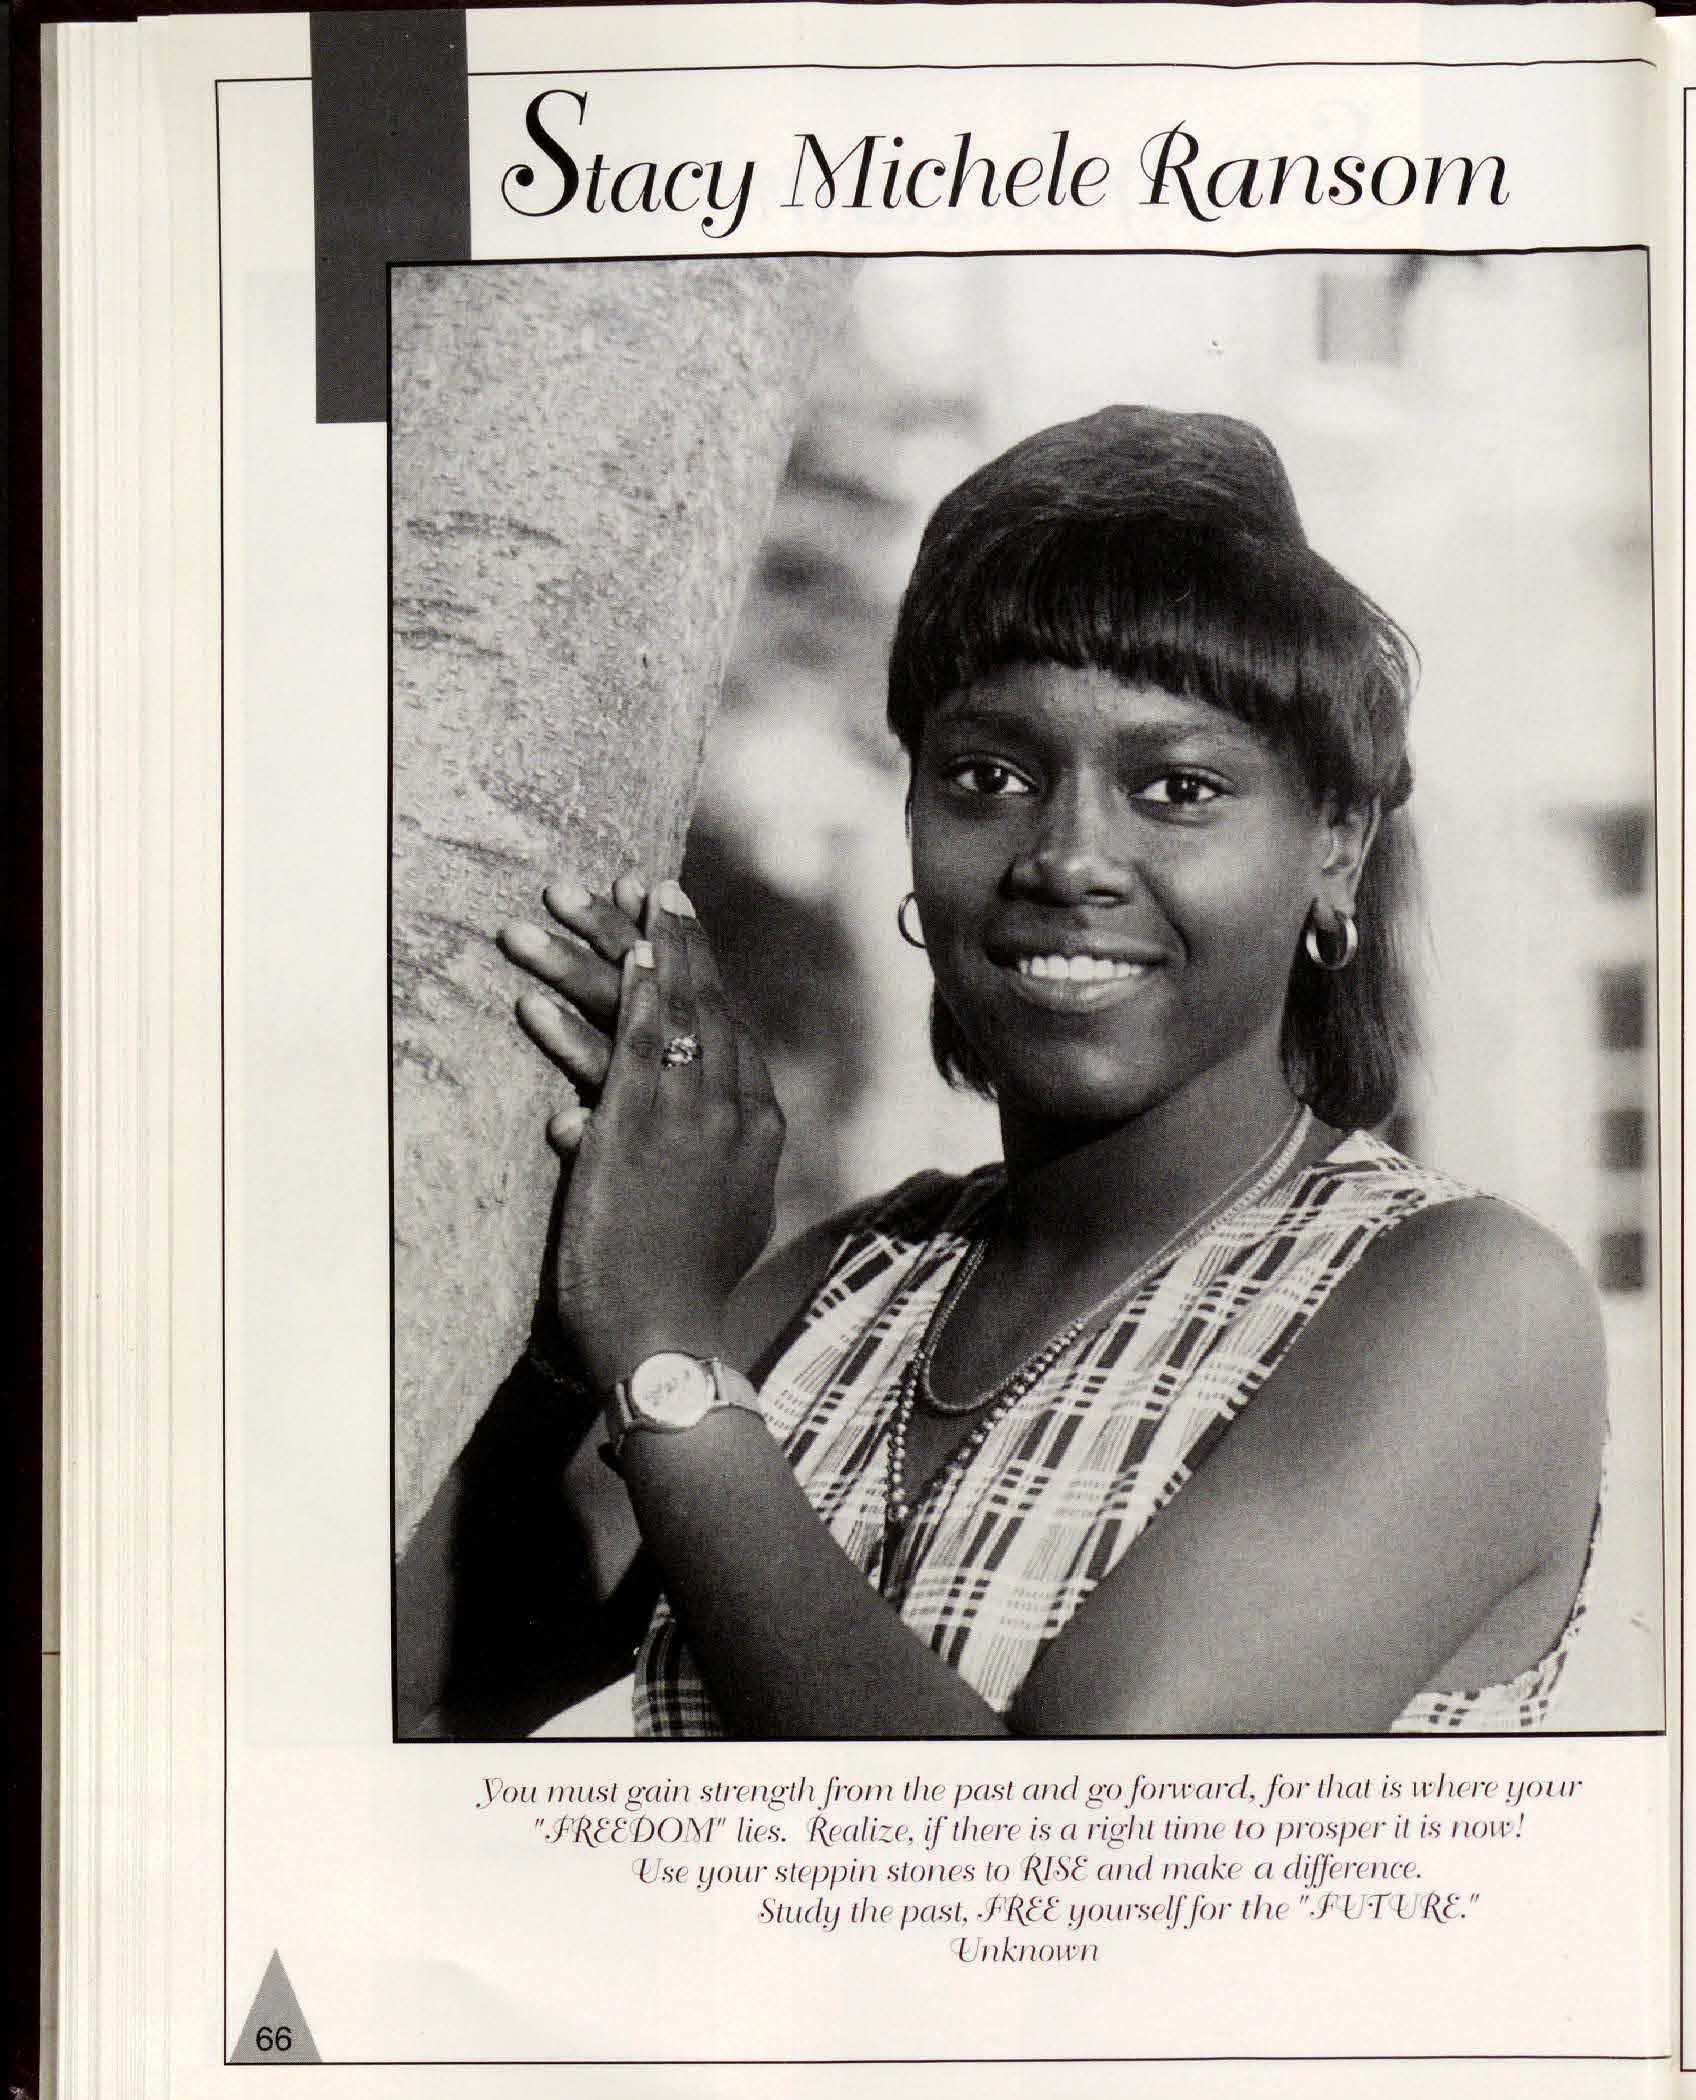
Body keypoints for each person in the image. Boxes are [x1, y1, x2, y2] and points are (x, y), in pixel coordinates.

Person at [405, 404, 1605, 1740]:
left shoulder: (1463, 1299)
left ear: (1337, 843)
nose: (1068, 858)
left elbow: (1053, 1840)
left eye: (1178, 789)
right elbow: (416, 1692)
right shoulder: (849, 1287)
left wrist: (669, 1360)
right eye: (988, 774)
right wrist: (575, 1271)